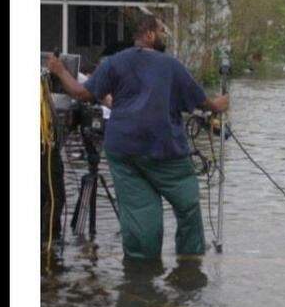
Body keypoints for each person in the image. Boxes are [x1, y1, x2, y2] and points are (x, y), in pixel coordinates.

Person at [47, 14, 229, 261]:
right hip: (166, 153)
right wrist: (219, 104)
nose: (165, 36)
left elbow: (82, 93)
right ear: (150, 34)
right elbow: (202, 102)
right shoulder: (171, 65)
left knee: (141, 216)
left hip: (124, 153)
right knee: (187, 206)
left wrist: (59, 70)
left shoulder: (113, 63)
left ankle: (140, 277)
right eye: (163, 31)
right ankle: (189, 268)